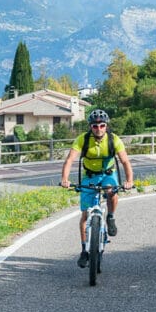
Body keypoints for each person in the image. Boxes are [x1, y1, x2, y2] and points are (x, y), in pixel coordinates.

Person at [59, 109, 135, 267]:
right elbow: (69, 160)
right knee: (85, 215)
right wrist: (65, 179)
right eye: (95, 126)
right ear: (90, 127)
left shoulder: (114, 139)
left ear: (106, 126)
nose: (98, 129)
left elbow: (125, 162)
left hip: (108, 174)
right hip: (89, 176)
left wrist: (129, 181)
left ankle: (111, 216)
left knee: (111, 191)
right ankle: (84, 250)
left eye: (102, 125)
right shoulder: (83, 139)